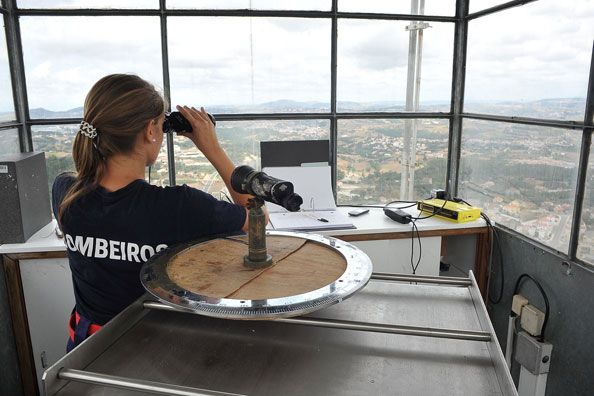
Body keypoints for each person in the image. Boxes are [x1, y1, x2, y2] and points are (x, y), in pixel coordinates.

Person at [52, 74, 258, 352]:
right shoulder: (179, 206)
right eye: (161, 126)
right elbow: (256, 219)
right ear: (150, 130)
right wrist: (212, 147)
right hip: (152, 352)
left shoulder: (65, 193)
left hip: (86, 349)